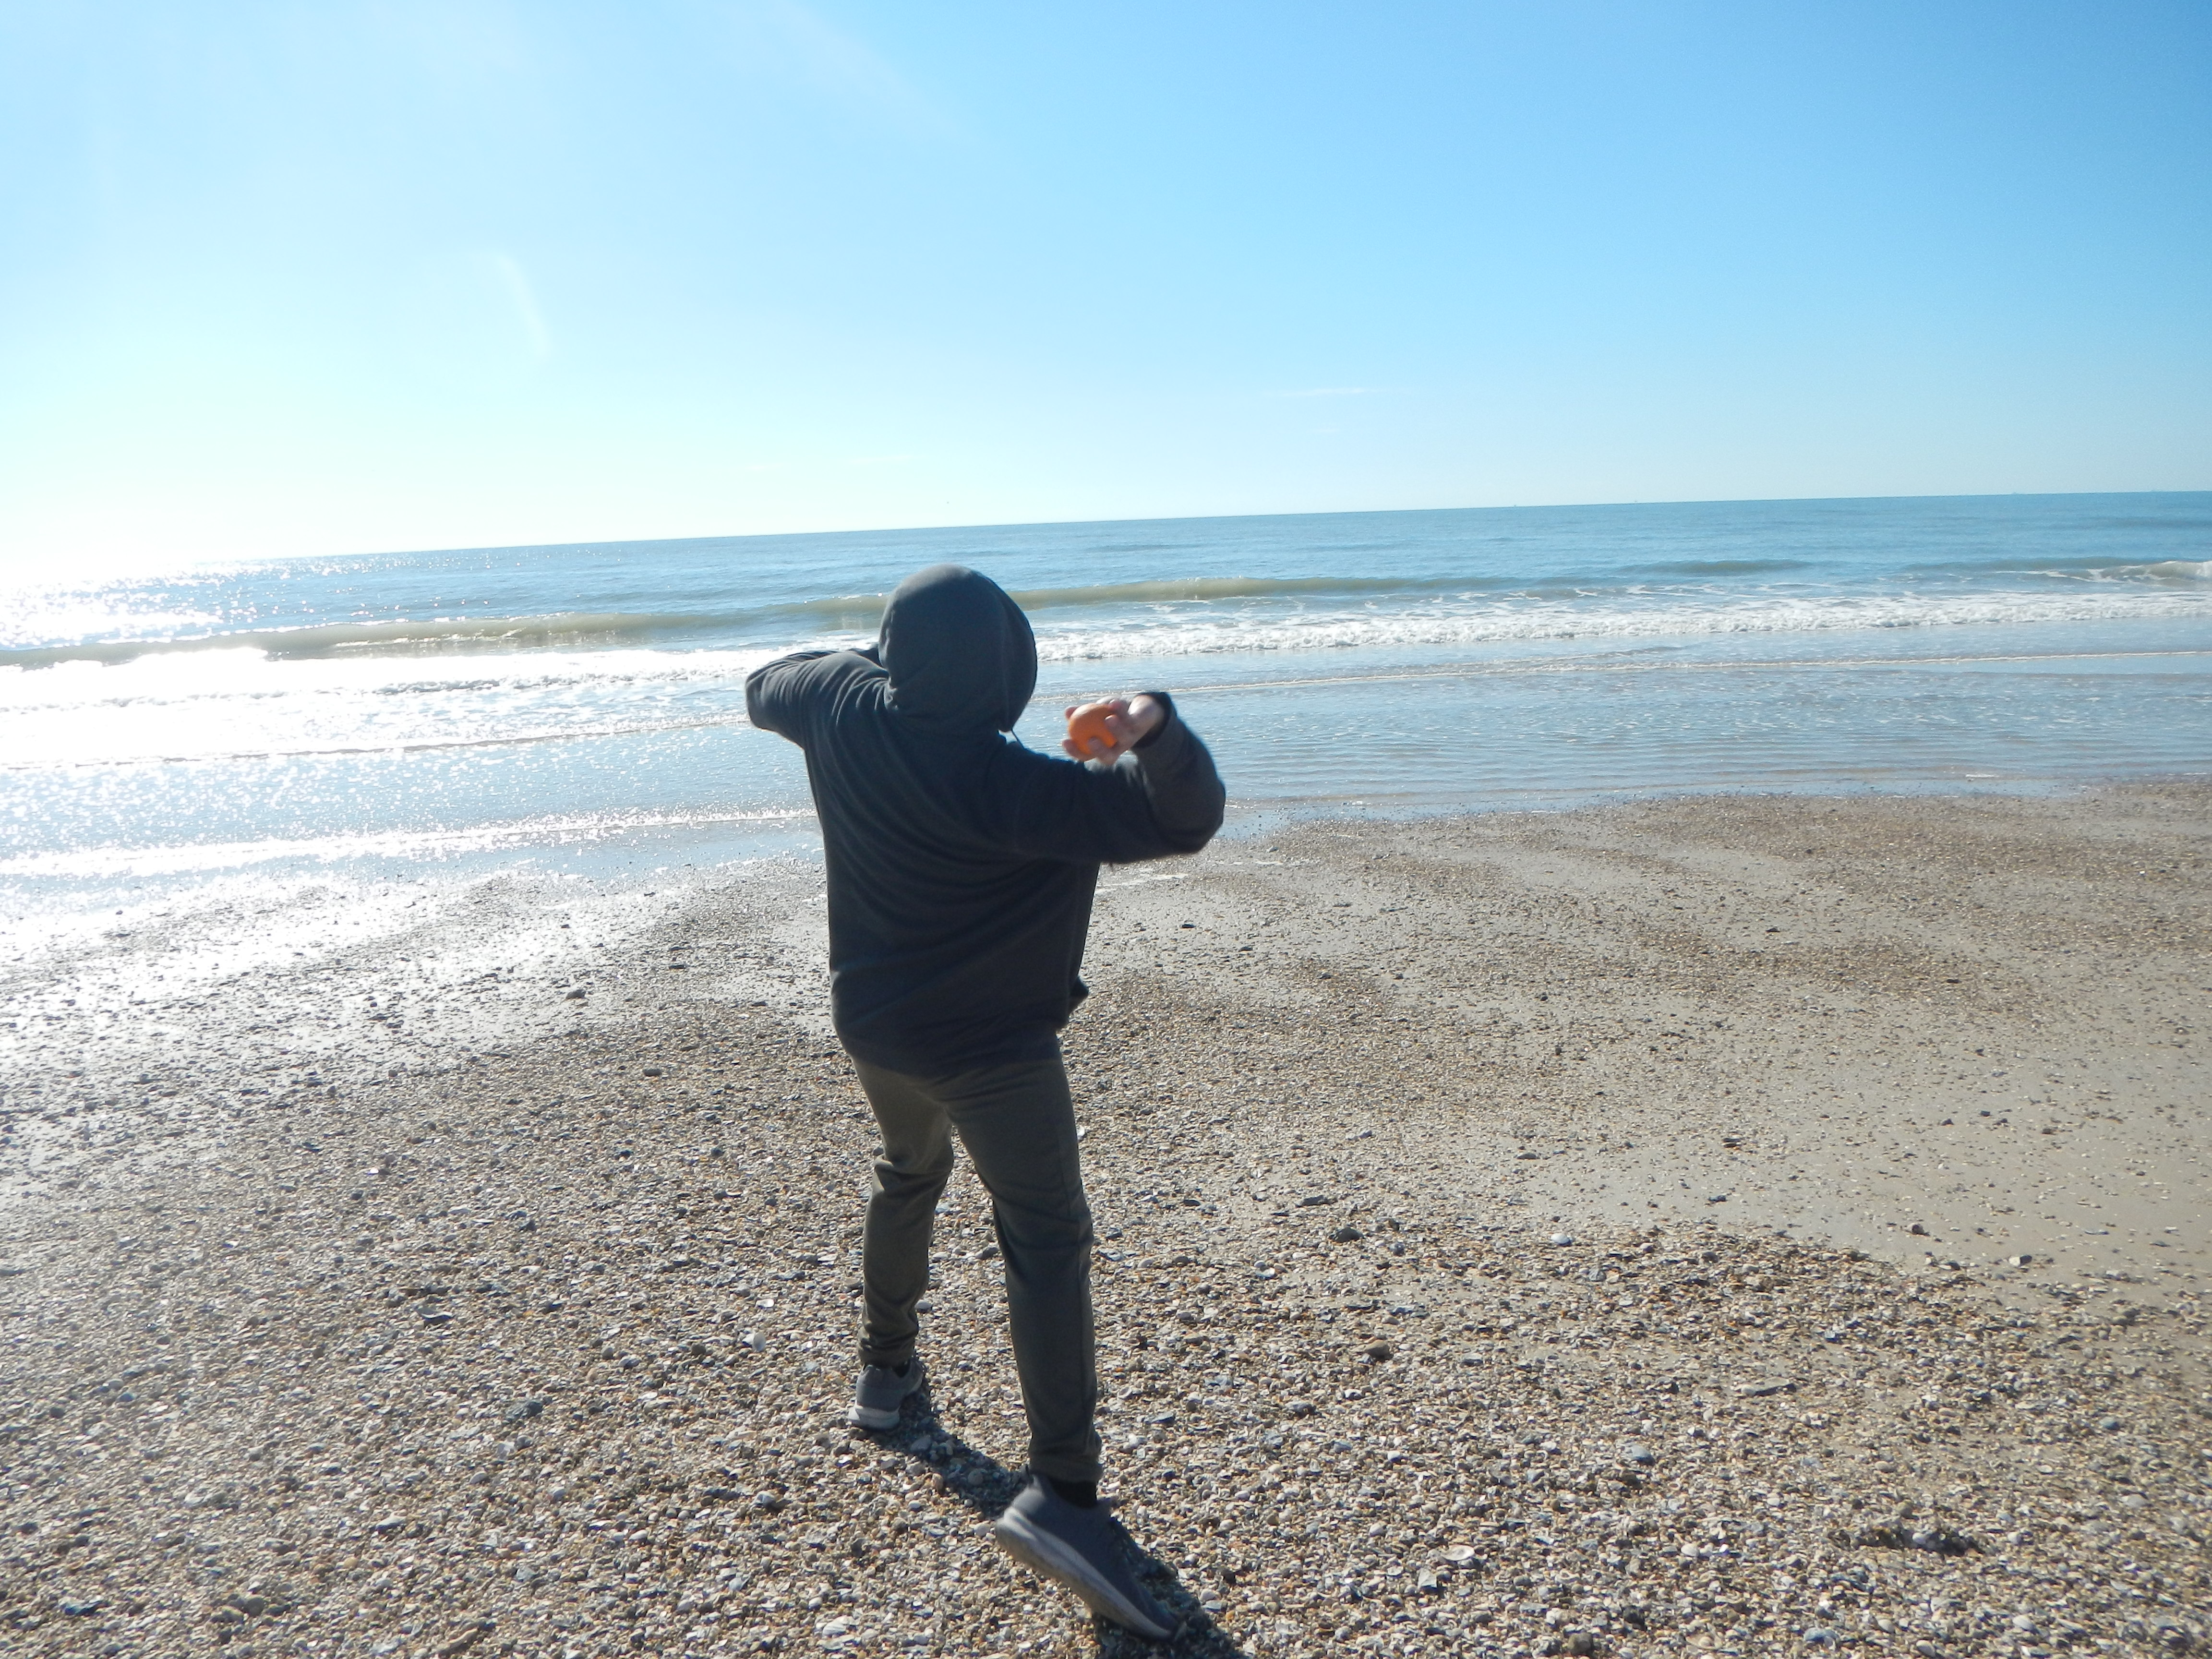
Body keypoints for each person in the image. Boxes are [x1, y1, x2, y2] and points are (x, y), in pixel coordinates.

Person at [745, 565, 1226, 1640]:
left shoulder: (840, 705)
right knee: (1046, 1237)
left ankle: (885, 1376)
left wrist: (878, 663)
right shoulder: (1032, 791)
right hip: (993, 1055)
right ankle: (1065, 1497)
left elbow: (768, 682)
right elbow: (1188, 819)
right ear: (1015, 670)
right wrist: (1153, 730)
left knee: (910, 1170)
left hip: (875, 1026)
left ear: (895, 652)